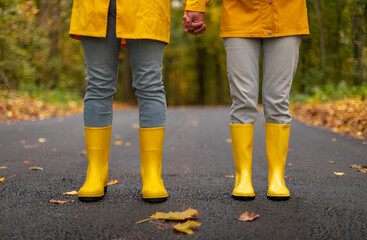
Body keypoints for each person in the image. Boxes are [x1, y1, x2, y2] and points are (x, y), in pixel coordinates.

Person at [183, 0, 310, 200]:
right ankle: (243, 177)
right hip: (239, 14)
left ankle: (277, 177)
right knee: (242, 100)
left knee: (278, 100)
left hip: (287, 13)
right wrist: (196, 5)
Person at [69, 0, 170, 203]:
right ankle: (96, 171)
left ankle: (152, 174)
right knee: (98, 84)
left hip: (147, 6)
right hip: (94, 5)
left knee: (150, 84)